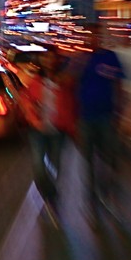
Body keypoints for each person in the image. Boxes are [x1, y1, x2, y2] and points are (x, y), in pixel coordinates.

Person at [76, 23, 127, 217]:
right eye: (90, 36)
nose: (93, 39)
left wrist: (121, 114)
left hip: (107, 116)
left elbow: (120, 84)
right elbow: (69, 86)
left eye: (96, 35)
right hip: (85, 117)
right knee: (88, 161)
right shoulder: (80, 60)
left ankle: (108, 192)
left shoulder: (111, 57)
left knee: (109, 158)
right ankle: (91, 199)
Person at [24, 56, 76, 212]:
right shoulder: (35, 83)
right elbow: (26, 103)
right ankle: (47, 193)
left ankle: (52, 196)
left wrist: (72, 129)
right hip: (37, 131)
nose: (48, 64)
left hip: (57, 131)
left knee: (55, 165)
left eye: (51, 61)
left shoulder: (64, 85)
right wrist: (34, 119)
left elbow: (71, 107)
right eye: (46, 61)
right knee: (39, 166)